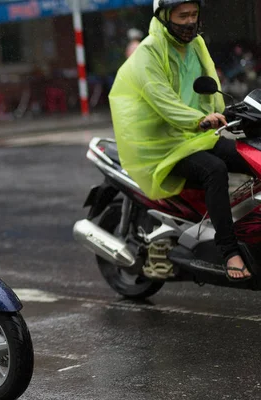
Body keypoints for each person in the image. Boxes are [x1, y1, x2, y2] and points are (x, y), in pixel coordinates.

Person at [109, 0, 253, 281]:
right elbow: (162, 99)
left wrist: (226, 109)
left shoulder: (196, 44)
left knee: (248, 154)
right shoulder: (148, 52)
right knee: (214, 170)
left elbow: (208, 80)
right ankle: (229, 252)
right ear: (163, 17)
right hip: (159, 144)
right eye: (182, 15)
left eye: (194, 14)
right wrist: (198, 120)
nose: (190, 22)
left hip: (192, 136)